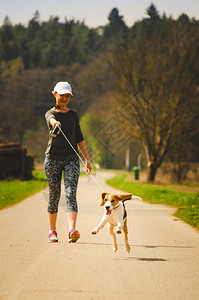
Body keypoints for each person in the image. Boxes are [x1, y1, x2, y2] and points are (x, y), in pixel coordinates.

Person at [44, 81, 91, 243]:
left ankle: (72, 230)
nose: (64, 98)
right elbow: (50, 119)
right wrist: (55, 123)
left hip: (71, 159)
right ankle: (52, 231)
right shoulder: (50, 114)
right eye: (62, 95)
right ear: (54, 94)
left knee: (71, 194)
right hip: (52, 160)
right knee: (54, 195)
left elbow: (79, 137)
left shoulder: (73, 114)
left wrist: (87, 159)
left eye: (67, 96)